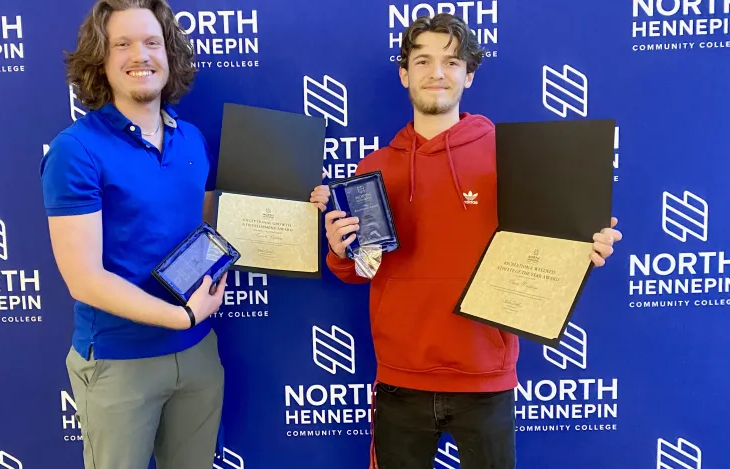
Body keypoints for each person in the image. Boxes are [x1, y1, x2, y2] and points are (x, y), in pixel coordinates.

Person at [322, 13, 623, 469]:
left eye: (451, 62)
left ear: (469, 74)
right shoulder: (374, 167)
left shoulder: (508, 156)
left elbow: (552, 244)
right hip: (401, 378)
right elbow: (358, 268)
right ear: (405, 74)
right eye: (422, 61)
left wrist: (585, 251)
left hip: (486, 376)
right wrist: (341, 250)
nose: (436, 73)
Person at [39, 1, 328, 468]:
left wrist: (292, 203)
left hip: (196, 353)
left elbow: (200, 211)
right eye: (123, 44)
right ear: (101, 59)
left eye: (153, 42)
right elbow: (84, 280)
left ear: (169, 54)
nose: (141, 55)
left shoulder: (190, 138)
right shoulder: (76, 150)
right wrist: (182, 318)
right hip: (120, 360)